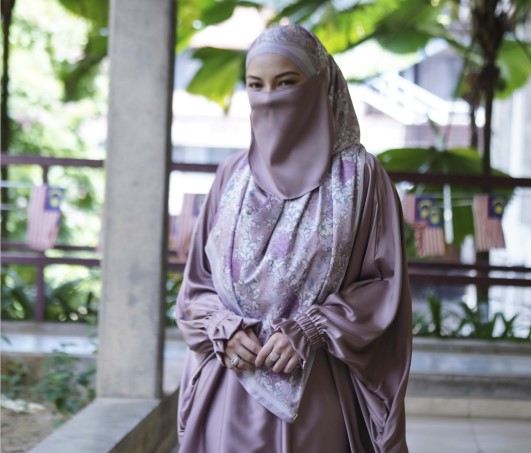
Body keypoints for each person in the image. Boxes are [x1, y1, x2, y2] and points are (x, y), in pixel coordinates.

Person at [175, 24, 412, 453]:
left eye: (286, 83)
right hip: (228, 394)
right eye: (256, 85)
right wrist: (223, 329)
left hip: (316, 399)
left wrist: (311, 329)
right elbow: (197, 287)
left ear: (321, 86)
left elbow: (383, 288)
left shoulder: (361, 179)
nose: (269, 98)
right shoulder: (231, 176)